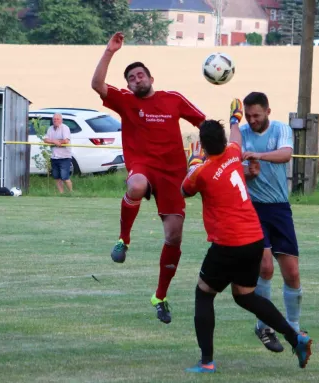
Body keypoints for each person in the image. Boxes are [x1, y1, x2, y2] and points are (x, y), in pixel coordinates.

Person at [180, 100, 311, 374]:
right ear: (224, 141)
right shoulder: (232, 153)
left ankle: (206, 362)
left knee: (203, 294)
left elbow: (185, 189)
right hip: (253, 239)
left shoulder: (203, 172)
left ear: (203, 146)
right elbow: (236, 136)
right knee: (244, 295)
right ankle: (295, 337)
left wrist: (193, 162)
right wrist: (235, 119)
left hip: (228, 243)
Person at [90, 32, 206, 324]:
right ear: (128, 84)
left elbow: (203, 122)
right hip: (143, 164)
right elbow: (96, 84)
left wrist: (205, 149)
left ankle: (160, 296)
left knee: (174, 236)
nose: (136, 79)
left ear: (151, 78)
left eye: (141, 75)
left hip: (173, 173)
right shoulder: (125, 101)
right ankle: (123, 240)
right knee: (137, 185)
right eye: (131, 77)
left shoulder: (173, 99)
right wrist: (109, 52)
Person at [238, 91, 303, 353]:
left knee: (292, 273)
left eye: (256, 115)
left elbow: (286, 155)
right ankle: (263, 325)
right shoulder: (241, 134)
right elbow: (239, 171)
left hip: (279, 209)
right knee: (265, 268)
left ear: (268, 111)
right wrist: (249, 174)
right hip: (253, 210)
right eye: (248, 115)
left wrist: (259, 157)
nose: (252, 120)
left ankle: (294, 327)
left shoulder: (280, 129)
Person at [43, 113, 73, 194]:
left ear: (61, 120)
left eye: (57, 119)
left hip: (64, 157)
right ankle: (61, 194)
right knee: (56, 177)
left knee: (65, 177)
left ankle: (71, 193)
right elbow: (45, 140)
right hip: (54, 156)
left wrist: (55, 141)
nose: (55, 120)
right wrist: (55, 141)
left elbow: (66, 141)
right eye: (54, 119)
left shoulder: (65, 128)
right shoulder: (50, 129)